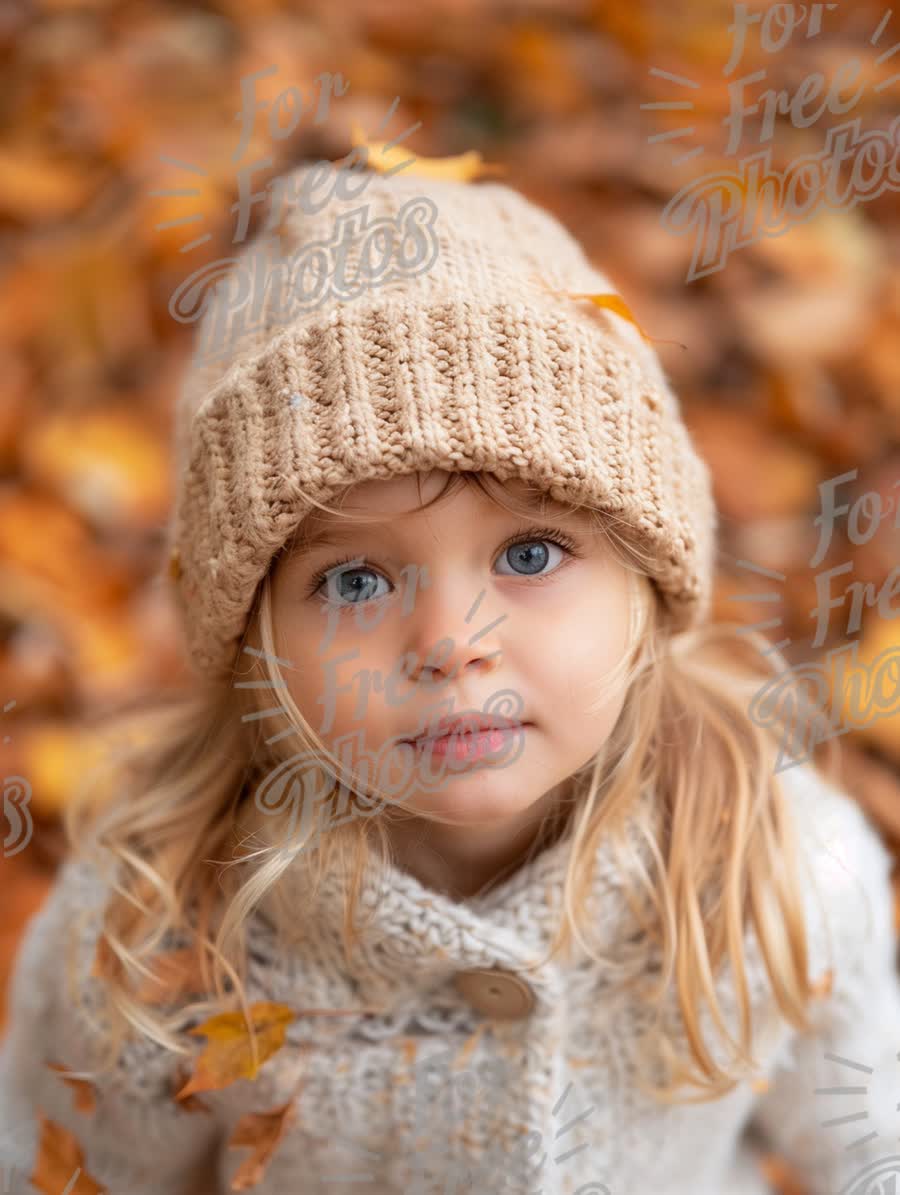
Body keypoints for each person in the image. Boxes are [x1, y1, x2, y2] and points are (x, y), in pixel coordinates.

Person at [1, 162, 898, 1195]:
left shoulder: (776, 865)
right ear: (255, 647)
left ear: (649, 584)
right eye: (353, 578)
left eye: (528, 555)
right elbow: (58, 1173)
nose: (449, 639)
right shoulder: (159, 927)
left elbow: (871, 1140)